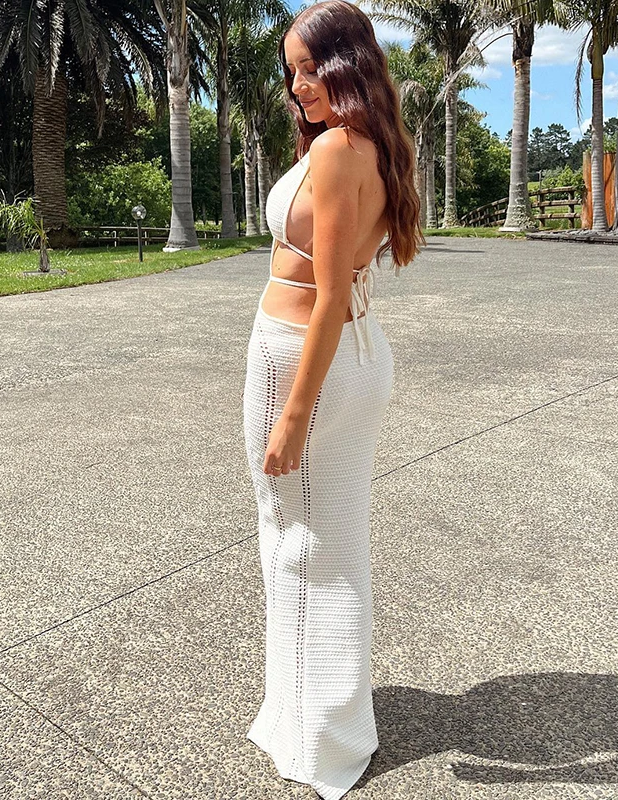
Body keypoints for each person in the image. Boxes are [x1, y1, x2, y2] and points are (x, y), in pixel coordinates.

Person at [242, 2, 423, 798]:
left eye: (312, 70)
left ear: (348, 65)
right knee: (328, 541)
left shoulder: (339, 149)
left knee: (297, 540)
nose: (298, 87)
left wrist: (292, 417)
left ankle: (319, 734)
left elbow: (324, 296)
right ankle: (316, 717)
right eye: (292, 73)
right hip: (354, 353)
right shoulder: (376, 144)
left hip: (302, 358)